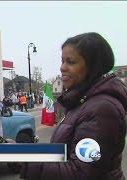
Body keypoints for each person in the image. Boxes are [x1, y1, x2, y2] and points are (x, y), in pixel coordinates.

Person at [20, 32, 127, 180]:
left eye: (70, 62)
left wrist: (23, 162)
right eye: (62, 61)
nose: (62, 68)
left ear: (93, 66)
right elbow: (63, 152)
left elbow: (80, 172)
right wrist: (18, 151)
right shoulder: (81, 102)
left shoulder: (102, 109)